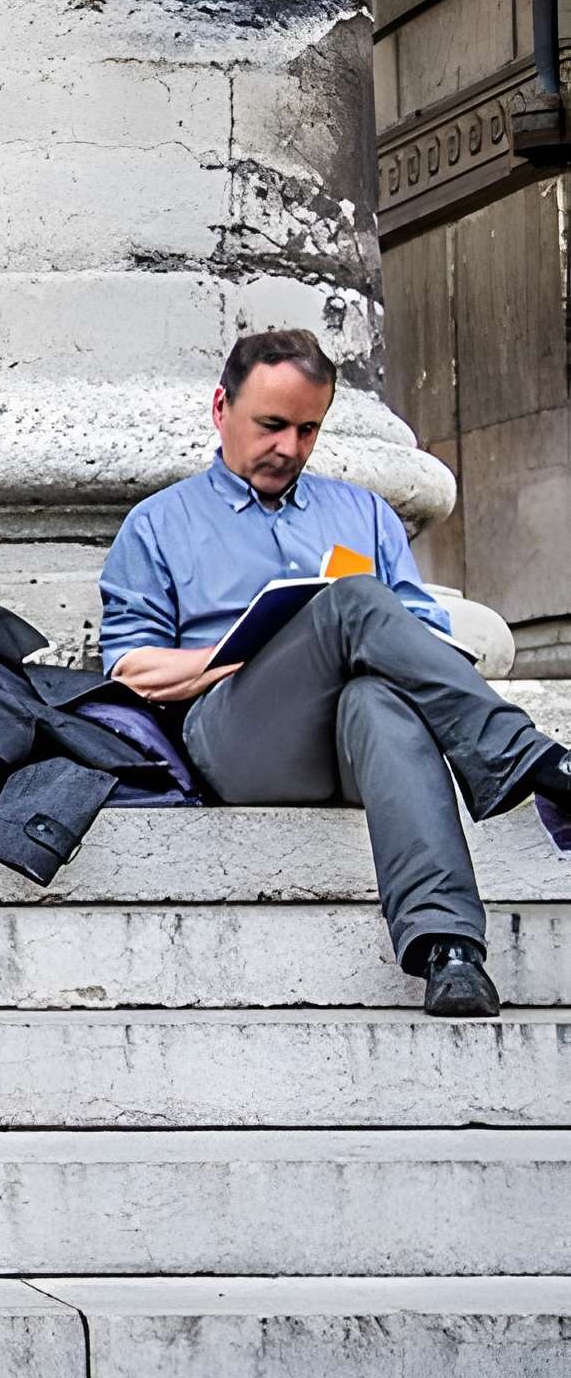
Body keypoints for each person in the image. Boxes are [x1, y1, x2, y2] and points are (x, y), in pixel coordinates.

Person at [101, 328, 571, 1019]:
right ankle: (537, 765)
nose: (288, 448)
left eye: (307, 430)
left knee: (380, 696)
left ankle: (451, 952)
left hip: (355, 744)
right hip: (239, 739)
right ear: (220, 409)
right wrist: (252, 649)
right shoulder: (157, 524)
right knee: (349, 601)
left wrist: (347, 638)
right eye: (270, 425)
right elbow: (131, 670)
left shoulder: (364, 514)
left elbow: (421, 635)